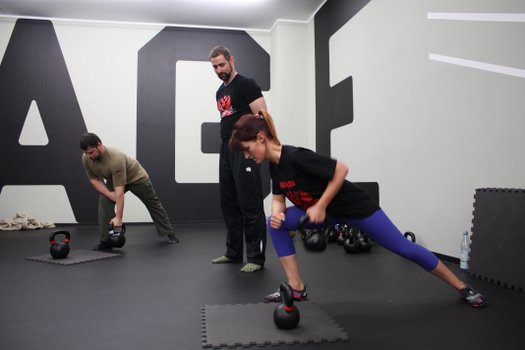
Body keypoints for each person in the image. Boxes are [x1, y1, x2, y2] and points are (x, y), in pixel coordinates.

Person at [229, 110, 488, 308]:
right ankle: (296, 288)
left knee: (404, 248)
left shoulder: (296, 156)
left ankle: (462, 287)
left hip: (355, 208)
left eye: (247, 149)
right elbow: (278, 198)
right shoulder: (274, 166)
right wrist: (278, 211)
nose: (247, 155)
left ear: (260, 138)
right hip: (322, 214)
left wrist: (320, 205)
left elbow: (341, 169)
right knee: (274, 222)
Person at [208, 46, 267, 272]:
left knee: (250, 202)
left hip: (245, 148)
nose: (218, 69)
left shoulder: (246, 84)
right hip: (226, 149)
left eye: (222, 64)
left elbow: (263, 117)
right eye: (214, 66)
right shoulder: (219, 92)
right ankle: (233, 252)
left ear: (232, 60)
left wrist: (257, 147)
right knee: (229, 202)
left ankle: (256, 257)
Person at [80, 132, 179, 250]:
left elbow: (120, 192)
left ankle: (169, 233)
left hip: (136, 178)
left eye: (91, 152)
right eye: (86, 153)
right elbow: (94, 180)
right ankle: (105, 241)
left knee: (153, 204)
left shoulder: (115, 159)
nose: (89, 156)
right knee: (104, 202)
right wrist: (109, 194)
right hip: (114, 179)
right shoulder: (86, 158)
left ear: (99, 145)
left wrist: (119, 217)